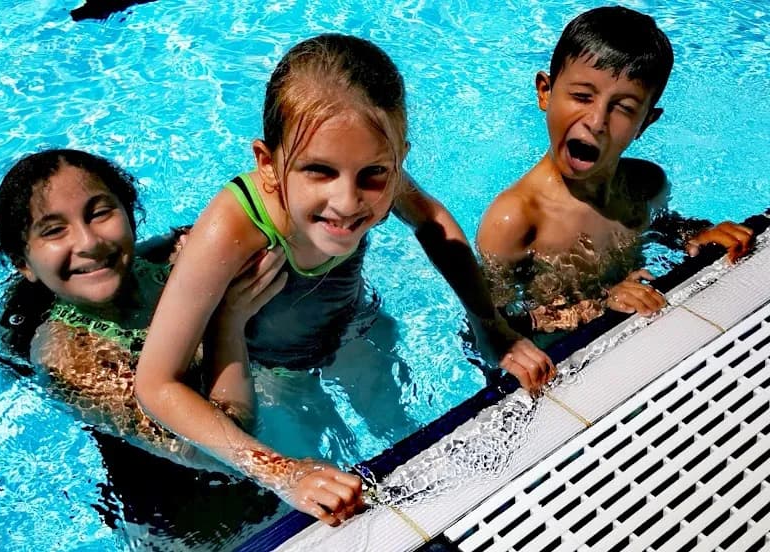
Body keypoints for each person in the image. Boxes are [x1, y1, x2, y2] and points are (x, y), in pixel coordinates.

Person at [135, 33, 556, 527]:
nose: (349, 201)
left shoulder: (372, 165)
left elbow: (431, 222)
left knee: (402, 431)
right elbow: (155, 383)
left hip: (349, 320)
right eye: (319, 170)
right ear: (268, 165)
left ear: (398, 158)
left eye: (376, 174)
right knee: (315, 469)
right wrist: (282, 472)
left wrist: (488, 324)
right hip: (268, 365)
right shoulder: (233, 227)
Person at [0, 148, 283, 547]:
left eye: (99, 213)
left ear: (130, 216)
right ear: (23, 263)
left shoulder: (161, 265)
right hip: (193, 526)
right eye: (53, 230)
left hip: (268, 471)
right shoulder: (68, 356)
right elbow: (224, 449)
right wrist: (226, 322)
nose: (89, 241)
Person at [476, 6, 753, 340]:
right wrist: (601, 306)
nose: (596, 122)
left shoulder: (645, 185)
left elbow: (660, 225)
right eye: (581, 96)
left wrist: (695, 234)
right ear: (545, 92)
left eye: (623, 108)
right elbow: (489, 329)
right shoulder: (513, 221)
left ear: (646, 123)